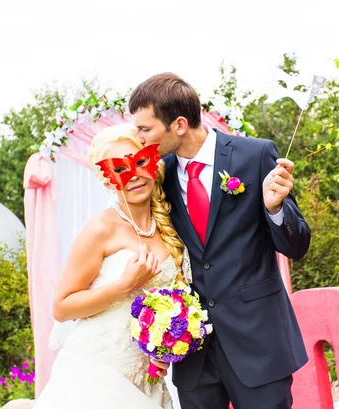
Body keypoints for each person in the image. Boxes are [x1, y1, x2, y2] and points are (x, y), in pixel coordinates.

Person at [129, 73, 311, 409]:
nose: (137, 137)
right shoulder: (159, 175)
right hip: (193, 354)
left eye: (145, 129)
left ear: (179, 125)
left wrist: (274, 210)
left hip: (258, 345)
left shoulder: (255, 155)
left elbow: (297, 246)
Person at [34, 124, 190, 409]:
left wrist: (164, 347)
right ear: (107, 180)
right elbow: (62, 306)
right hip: (96, 374)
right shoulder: (100, 228)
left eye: (140, 162)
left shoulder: (172, 227)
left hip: (147, 379)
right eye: (120, 169)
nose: (134, 176)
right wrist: (124, 286)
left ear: (152, 162)